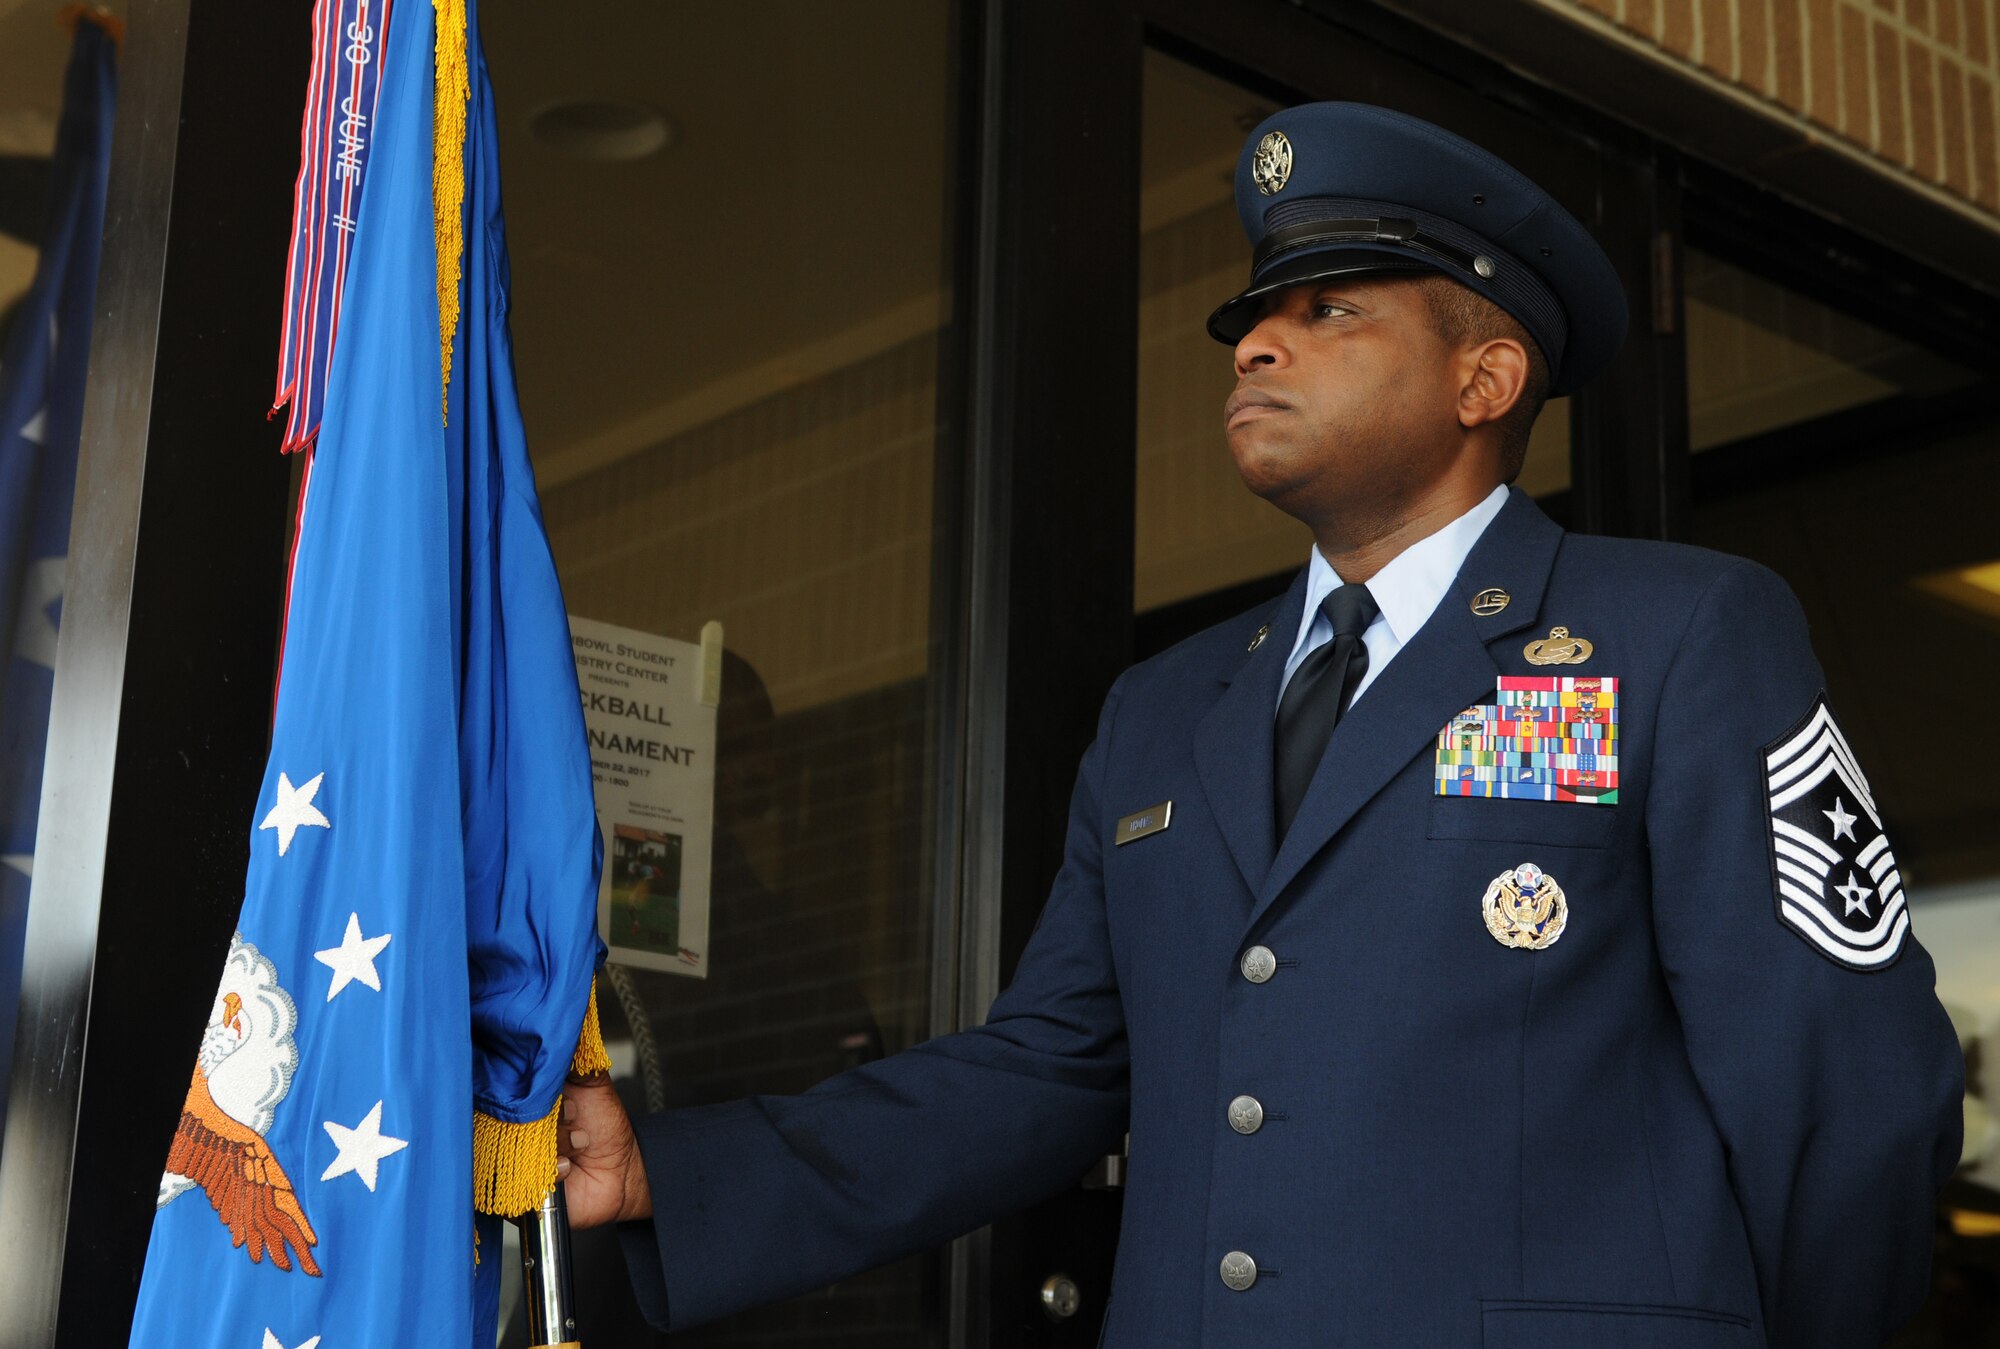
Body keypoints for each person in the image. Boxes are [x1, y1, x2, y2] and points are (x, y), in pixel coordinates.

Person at [555, 102, 1963, 1347]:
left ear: (1487, 378)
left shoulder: (1680, 636)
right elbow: (1045, 1071)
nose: (1258, 341)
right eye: (1249, 321)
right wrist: (675, 1176)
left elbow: (1846, 1092)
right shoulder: (1164, 709)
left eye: (1335, 307)